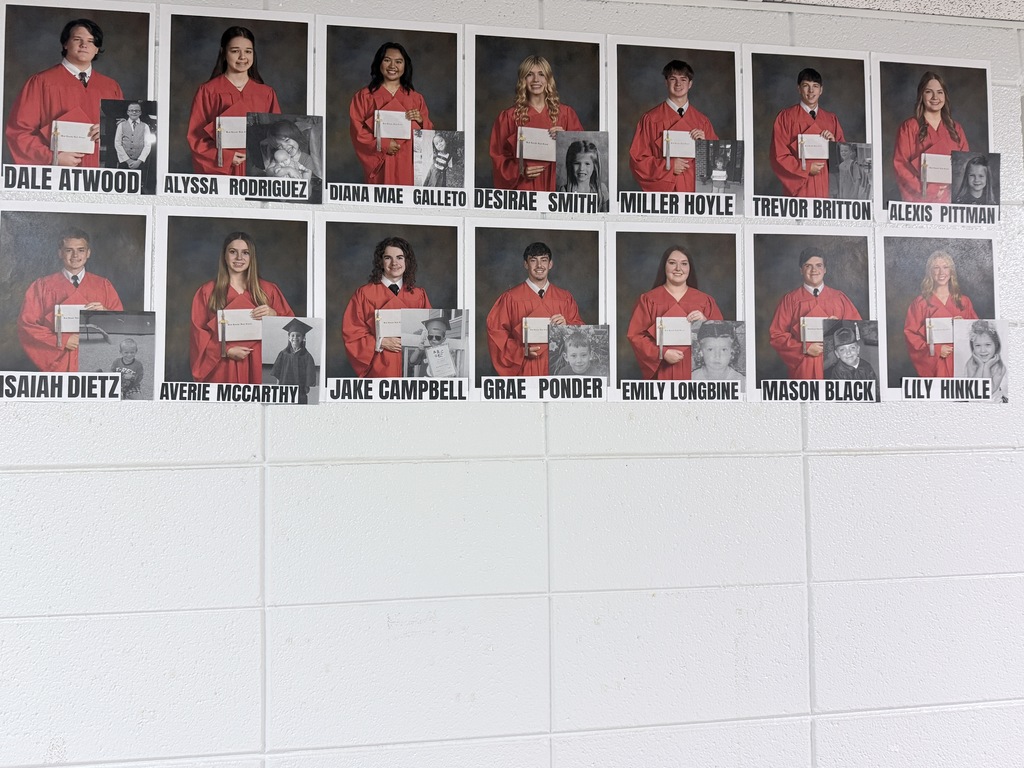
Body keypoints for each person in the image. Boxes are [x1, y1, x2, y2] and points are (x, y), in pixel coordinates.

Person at [5, 19, 123, 167]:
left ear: (97, 48)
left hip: (99, 177)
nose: (84, 45)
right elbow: (20, 134)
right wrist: (53, 157)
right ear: (65, 43)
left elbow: (124, 134)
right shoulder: (42, 82)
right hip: (56, 176)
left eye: (91, 41)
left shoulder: (111, 87)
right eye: (77, 39)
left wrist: (109, 131)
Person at [189, 231, 293, 384]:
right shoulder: (207, 292)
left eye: (245, 253)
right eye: (233, 252)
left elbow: (292, 330)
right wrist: (224, 350)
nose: (239, 258)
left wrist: (274, 315)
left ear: (252, 258)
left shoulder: (269, 290)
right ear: (224, 256)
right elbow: (198, 336)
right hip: (222, 367)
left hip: (259, 364)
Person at [18, 227, 123, 372]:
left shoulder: (103, 285)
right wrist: (62, 340)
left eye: (80, 250)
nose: (75, 255)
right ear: (60, 253)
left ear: (88, 253)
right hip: (57, 361)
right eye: (69, 250)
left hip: (94, 358)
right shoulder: (41, 286)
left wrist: (106, 313)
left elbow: (121, 323)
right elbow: (27, 326)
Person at [187, 26, 281, 176]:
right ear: (224, 53)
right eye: (235, 51)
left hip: (257, 171)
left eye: (248, 51)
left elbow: (277, 135)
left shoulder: (266, 93)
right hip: (222, 172)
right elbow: (196, 138)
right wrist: (227, 157)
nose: (243, 57)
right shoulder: (208, 91)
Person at [626, 245, 723, 380]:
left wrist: (705, 322)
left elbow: (722, 338)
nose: (678, 268)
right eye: (672, 263)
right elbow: (636, 336)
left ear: (690, 268)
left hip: (697, 373)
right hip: (662, 371)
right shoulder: (649, 300)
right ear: (664, 266)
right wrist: (662, 353)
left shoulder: (705, 301)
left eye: (684, 264)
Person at [486, 241, 583, 376]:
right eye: (533, 260)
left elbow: (582, 332)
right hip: (525, 369)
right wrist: (521, 351)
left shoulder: (565, 298)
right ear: (526, 264)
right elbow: (496, 334)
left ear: (550, 264)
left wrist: (567, 326)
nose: (539, 266)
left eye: (544, 260)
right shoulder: (510, 298)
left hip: (558, 370)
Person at [489, 55, 583, 191]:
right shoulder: (509, 117)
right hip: (524, 192)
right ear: (523, 79)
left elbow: (582, 152)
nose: (536, 80)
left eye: (541, 74)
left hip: (557, 190)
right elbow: (499, 158)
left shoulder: (566, 115)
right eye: (529, 75)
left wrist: (566, 139)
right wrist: (519, 170)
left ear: (548, 79)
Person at [342, 236, 431, 378]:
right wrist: (381, 342)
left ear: (407, 261)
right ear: (381, 261)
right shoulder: (364, 293)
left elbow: (428, 333)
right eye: (388, 257)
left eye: (400, 257)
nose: (394, 263)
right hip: (379, 370)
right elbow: (353, 334)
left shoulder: (418, 295)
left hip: (411, 370)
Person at [769, 246, 861, 379]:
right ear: (801, 270)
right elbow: (777, 336)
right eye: (808, 266)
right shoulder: (790, 300)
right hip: (804, 366)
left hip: (837, 366)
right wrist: (804, 348)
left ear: (825, 269)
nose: (814, 270)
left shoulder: (839, 298)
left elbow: (856, 328)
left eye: (819, 265)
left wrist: (840, 324)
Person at [628, 60, 718, 193]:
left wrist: (705, 145)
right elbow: (638, 161)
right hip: (663, 194)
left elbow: (717, 163)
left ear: (690, 84)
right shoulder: (651, 119)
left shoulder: (702, 122)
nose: (678, 84)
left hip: (694, 194)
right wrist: (667, 166)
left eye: (683, 79)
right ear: (666, 82)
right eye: (673, 79)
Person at [349, 42, 430, 186]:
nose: (393, 66)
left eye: (398, 62)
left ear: (405, 66)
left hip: (408, 164)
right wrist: (384, 144)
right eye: (387, 60)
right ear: (379, 62)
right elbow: (357, 133)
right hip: (380, 163)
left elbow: (429, 137)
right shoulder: (364, 97)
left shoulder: (416, 98)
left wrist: (421, 120)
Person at [893, 71, 969, 203]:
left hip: (950, 201)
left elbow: (965, 166)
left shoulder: (956, 129)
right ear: (921, 95)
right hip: (921, 199)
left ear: (945, 95)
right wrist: (928, 191)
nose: (935, 97)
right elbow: (901, 166)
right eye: (929, 91)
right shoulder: (909, 127)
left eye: (940, 92)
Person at [770, 67, 844, 198]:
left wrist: (833, 144)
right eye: (806, 85)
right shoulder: (786, 117)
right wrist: (806, 168)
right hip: (799, 189)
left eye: (815, 86)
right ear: (798, 88)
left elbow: (843, 157)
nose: (811, 90)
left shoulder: (831, 119)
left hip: (825, 186)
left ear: (821, 90)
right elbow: (779, 156)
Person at [904, 250, 977, 378]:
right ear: (930, 272)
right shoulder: (920, 303)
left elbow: (977, 333)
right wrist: (936, 350)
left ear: (951, 271)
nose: (941, 272)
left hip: (960, 361)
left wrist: (964, 326)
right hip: (934, 363)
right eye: (936, 268)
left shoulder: (964, 301)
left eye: (945, 267)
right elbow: (911, 335)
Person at [271, 318, 317, 404]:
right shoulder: (283, 354)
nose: (295, 338)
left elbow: (309, 373)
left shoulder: (307, 356)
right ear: (289, 337)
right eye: (292, 335)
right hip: (284, 388)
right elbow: (277, 372)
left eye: (298, 335)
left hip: (300, 390)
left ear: (303, 338)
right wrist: (278, 386)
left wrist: (306, 387)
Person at [557, 139, 609, 211]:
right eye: (577, 163)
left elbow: (605, 218)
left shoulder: (601, 190)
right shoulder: (564, 190)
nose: (581, 168)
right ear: (570, 165)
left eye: (587, 164)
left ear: (595, 166)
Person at [963, 320, 1007, 403]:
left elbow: (988, 391)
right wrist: (980, 366)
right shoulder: (971, 363)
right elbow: (973, 387)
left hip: (994, 404)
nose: (983, 350)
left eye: (988, 345)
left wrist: (987, 366)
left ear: (996, 345)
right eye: (978, 345)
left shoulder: (1000, 367)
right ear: (973, 347)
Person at [824, 323, 877, 388]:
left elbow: (875, 387)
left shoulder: (867, 366)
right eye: (842, 350)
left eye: (852, 348)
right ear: (837, 354)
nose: (848, 352)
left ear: (858, 349)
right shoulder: (837, 372)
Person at [113, 102, 153, 185]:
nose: (134, 112)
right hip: (124, 162)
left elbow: (148, 145)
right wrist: (127, 160)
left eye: (136, 110)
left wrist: (139, 161)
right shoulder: (121, 125)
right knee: (123, 184)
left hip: (139, 163)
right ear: (128, 112)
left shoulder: (145, 126)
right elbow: (117, 143)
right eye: (131, 110)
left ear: (140, 112)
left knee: (137, 184)